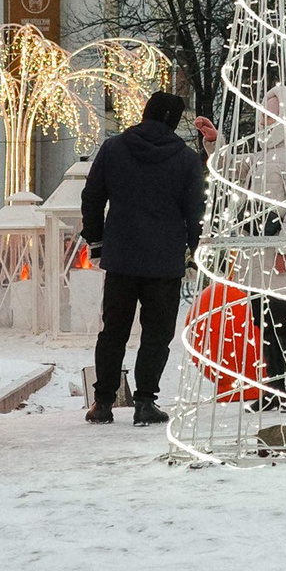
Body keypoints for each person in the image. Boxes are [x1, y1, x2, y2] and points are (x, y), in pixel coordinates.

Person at [80, 90, 215, 426]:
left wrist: (96, 240)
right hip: (164, 261)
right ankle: (144, 402)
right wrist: (197, 254)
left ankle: (103, 402)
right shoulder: (184, 159)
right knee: (156, 334)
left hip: (122, 257)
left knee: (113, 331)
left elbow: (92, 195)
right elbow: (195, 211)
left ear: (146, 112)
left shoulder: (113, 149)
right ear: (173, 121)